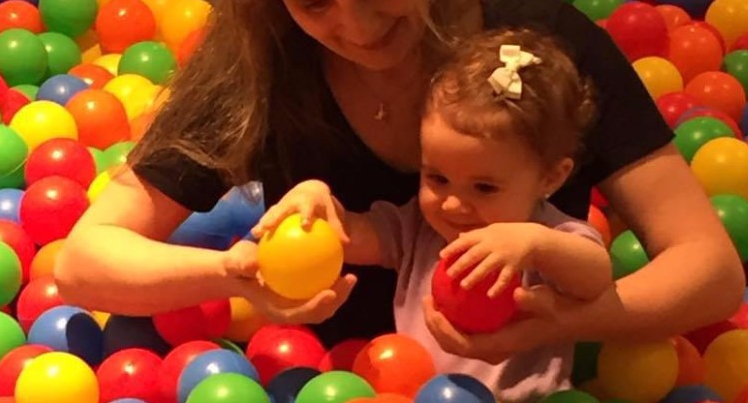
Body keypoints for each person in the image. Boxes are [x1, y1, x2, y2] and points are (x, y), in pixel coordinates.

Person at [55, 0, 745, 360]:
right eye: (314, 4)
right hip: (329, 379)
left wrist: (566, 322)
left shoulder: (543, 58)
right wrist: (236, 274)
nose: (356, 29)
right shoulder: (261, 65)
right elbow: (84, 262)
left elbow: (710, 271)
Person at [253, 27, 612, 400]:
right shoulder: (418, 227)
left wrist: (535, 245)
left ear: (551, 177)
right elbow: (349, 238)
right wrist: (315, 199)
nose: (453, 204)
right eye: (437, 178)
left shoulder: (548, 234)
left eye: (484, 188)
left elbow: (596, 276)